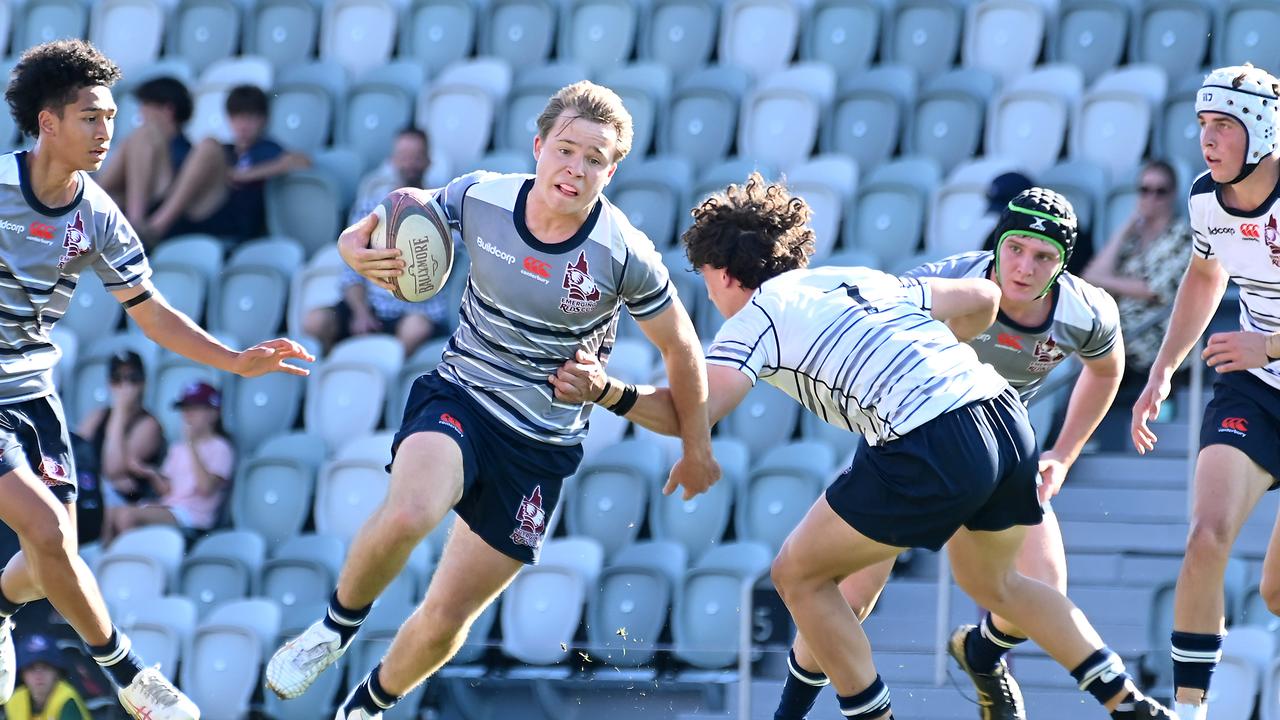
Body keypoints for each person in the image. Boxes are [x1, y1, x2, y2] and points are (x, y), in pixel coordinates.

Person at [552, 174, 1173, 720]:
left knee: (796, 574)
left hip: (925, 437)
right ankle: (1125, 700)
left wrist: (608, 391)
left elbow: (692, 412)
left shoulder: (755, 318)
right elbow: (984, 298)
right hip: (1004, 416)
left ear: (720, 272)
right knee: (1000, 588)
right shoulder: (851, 275)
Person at [265, 80, 717, 720]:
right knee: (410, 512)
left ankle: (365, 709)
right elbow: (404, 205)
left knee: (451, 611)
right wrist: (352, 241)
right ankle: (333, 630)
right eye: (566, 149)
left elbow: (685, 351)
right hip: (464, 395)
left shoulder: (624, 254)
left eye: (595, 159)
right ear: (538, 147)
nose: (576, 168)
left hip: (540, 447)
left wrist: (696, 451)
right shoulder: (482, 197)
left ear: (612, 171)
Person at [0, 39, 313, 719]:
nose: (107, 131)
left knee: (53, 558)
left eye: (111, 116)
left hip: (31, 392)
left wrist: (234, 360)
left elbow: (153, 314)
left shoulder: (97, 215)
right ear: (47, 123)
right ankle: (131, 675)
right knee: (48, 535)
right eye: (90, 117)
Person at [772, 187, 1125, 720]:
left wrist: (1064, 453)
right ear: (997, 243)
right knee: (851, 599)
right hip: (913, 449)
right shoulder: (953, 281)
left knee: (1043, 592)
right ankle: (788, 713)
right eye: (1016, 248)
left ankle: (980, 655)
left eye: (1044, 256)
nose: (1024, 267)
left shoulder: (1086, 310)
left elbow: (1106, 368)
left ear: (1063, 264)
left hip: (998, 451)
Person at [1131, 63, 1280, 720]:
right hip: (1253, 387)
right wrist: (1164, 368)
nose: (1208, 140)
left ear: (1261, 130)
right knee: (1204, 535)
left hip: (1261, 355)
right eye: (1202, 124)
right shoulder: (1202, 199)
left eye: (1223, 125)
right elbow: (1202, 275)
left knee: (1276, 593)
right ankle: (1190, 711)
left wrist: (1269, 344)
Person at [303, 128, 446, 357]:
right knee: (314, 321)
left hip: (414, 310)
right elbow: (351, 272)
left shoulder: (442, 208)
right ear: (392, 160)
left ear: (429, 161)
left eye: (416, 156)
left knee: (416, 328)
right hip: (369, 306)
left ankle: (390, 385)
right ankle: (331, 376)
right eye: (403, 156)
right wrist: (360, 313)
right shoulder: (370, 208)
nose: (409, 163)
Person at [139, 84, 310, 243]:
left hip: (237, 219)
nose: (243, 126)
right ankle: (139, 222)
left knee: (208, 145)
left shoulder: (267, 150)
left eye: (250, 118)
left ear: (263, 120)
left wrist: (245, 175)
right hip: (205, 213)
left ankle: (156, 227)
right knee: (146, 140)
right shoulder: (227, 150)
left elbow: (301, 161)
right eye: (237, 118)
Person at [1085, 160, 1194, 383]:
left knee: (1088, 345)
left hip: (1153, 337)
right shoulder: (1132, 237)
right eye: (1144, 190)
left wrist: (1108, 282)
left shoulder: (1182, 236)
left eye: (1160, 191)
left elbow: (1153, 290)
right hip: (1118, 335)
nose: (1151, 198)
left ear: (1172, 194)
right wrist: (1124, 229)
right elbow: (1091, 278)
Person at [107, 382, 233, 536]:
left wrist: (192, 445)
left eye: (194, 408)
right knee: (110, 514)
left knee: (128, 517)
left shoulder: (221, 447)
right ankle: (108, 558)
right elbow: (166, 490)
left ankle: (130, 558)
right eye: (185, 409)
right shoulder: (178, 448)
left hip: (194, 517)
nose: (187, 414)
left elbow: (205, 488)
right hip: (170, 507)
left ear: (213, 413)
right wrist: (151, 473)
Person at [75, 351, 165, 544]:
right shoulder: (97, 416)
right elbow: (76, 456)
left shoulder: (149, 424)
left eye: (132, 379)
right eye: (117, 379)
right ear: (109, 383)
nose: (125, 386)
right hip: (95, 493)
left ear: (143, 383)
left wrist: (120, 412)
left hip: (127, 503)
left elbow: (113, 468)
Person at [96, 76, 192, 231]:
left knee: (143, 134)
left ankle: (135, 223)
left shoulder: (186, 152)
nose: (141, 112)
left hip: (163, 212)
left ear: (168, 110)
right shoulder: (138, 142)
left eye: (146, 105)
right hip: (134, 204)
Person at [6, 633, 90, 720]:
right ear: (22, 674)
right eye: (31, 668)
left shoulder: (67, 698)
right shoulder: (15, 700)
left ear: (57, 672)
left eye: (46, 667)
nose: (39, 675)